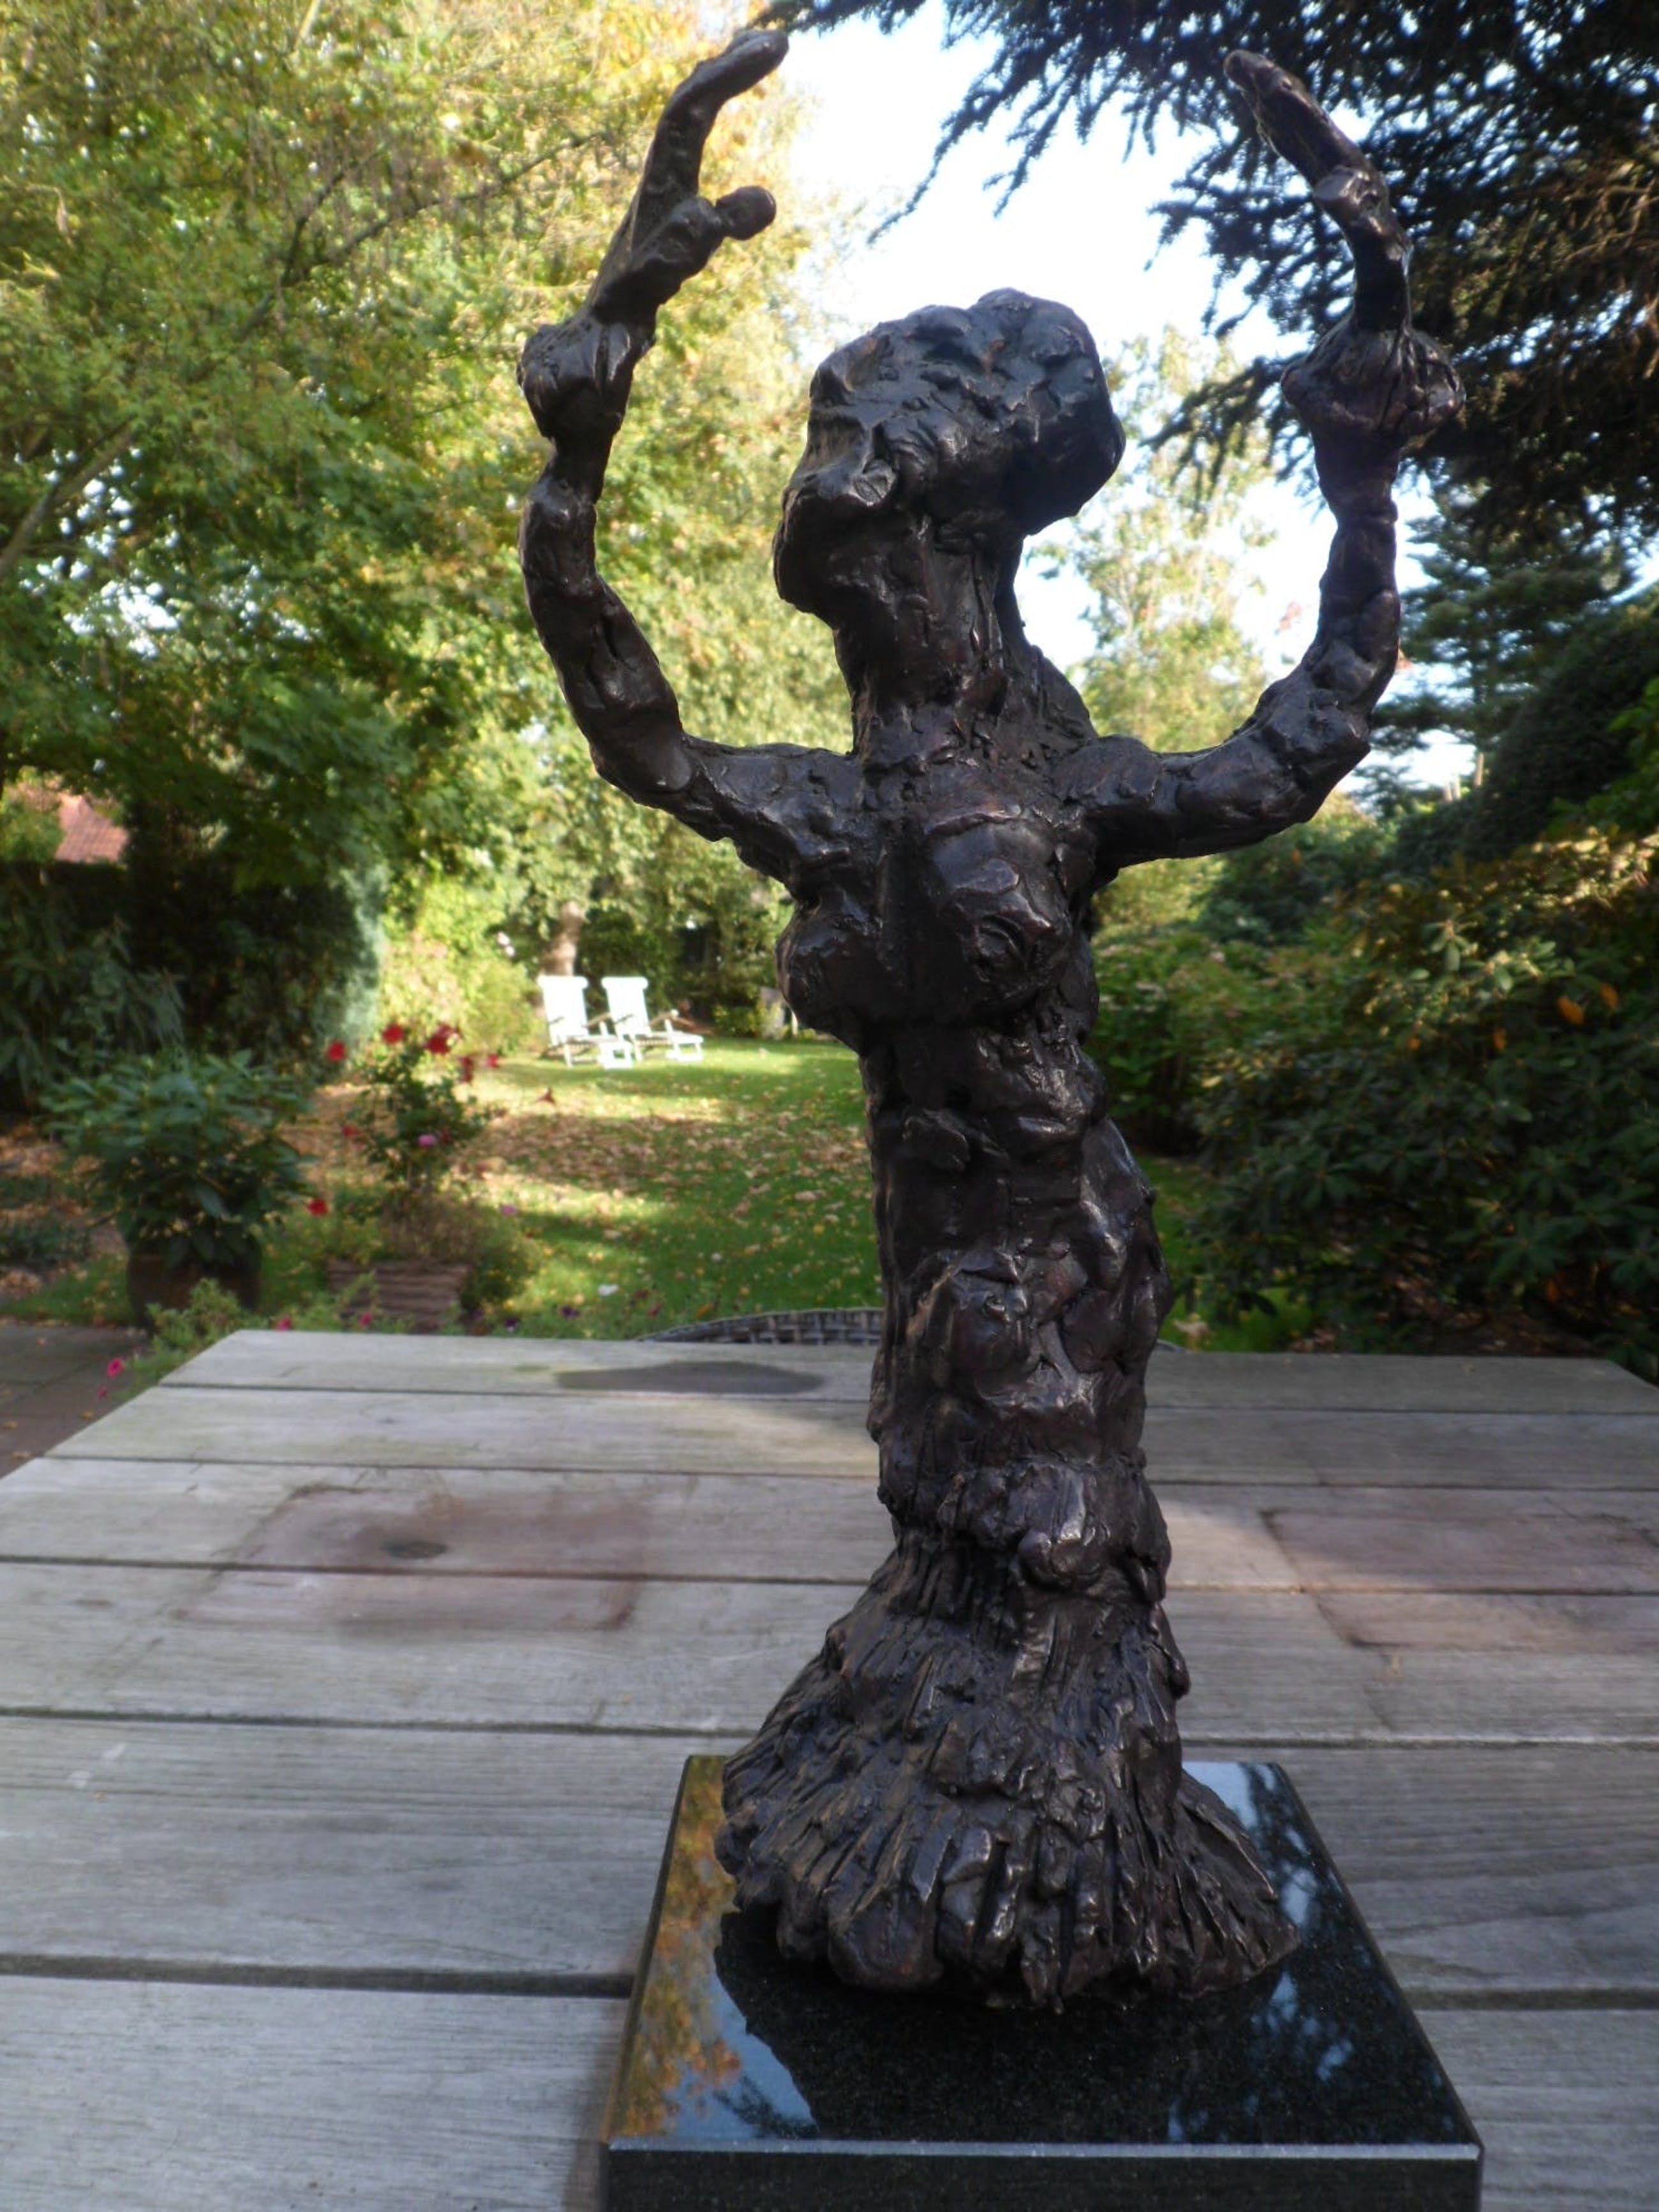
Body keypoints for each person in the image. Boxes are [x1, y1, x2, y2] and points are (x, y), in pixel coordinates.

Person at [518, 31, 1459, 2005]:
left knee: (1044, 1605)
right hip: (934, 1300)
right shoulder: (840, 802)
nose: (856, 588)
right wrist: (575, 454)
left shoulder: (1056, 786)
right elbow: (634, 724)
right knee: (942, 1594)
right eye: (846, 564)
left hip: (1054, 1280)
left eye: (885, 556)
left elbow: (1300, 741)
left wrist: (1364, 493)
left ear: (958, 551)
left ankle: (1053, 1880)